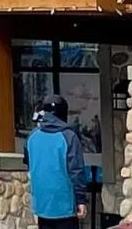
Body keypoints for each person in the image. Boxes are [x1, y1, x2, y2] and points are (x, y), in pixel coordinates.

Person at [25, 94, 87, 229]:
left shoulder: (32, 137)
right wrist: (80, 200)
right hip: (65, 205)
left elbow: (29, 164)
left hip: (42, 204)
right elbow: (76, 171)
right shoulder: (69, 137)